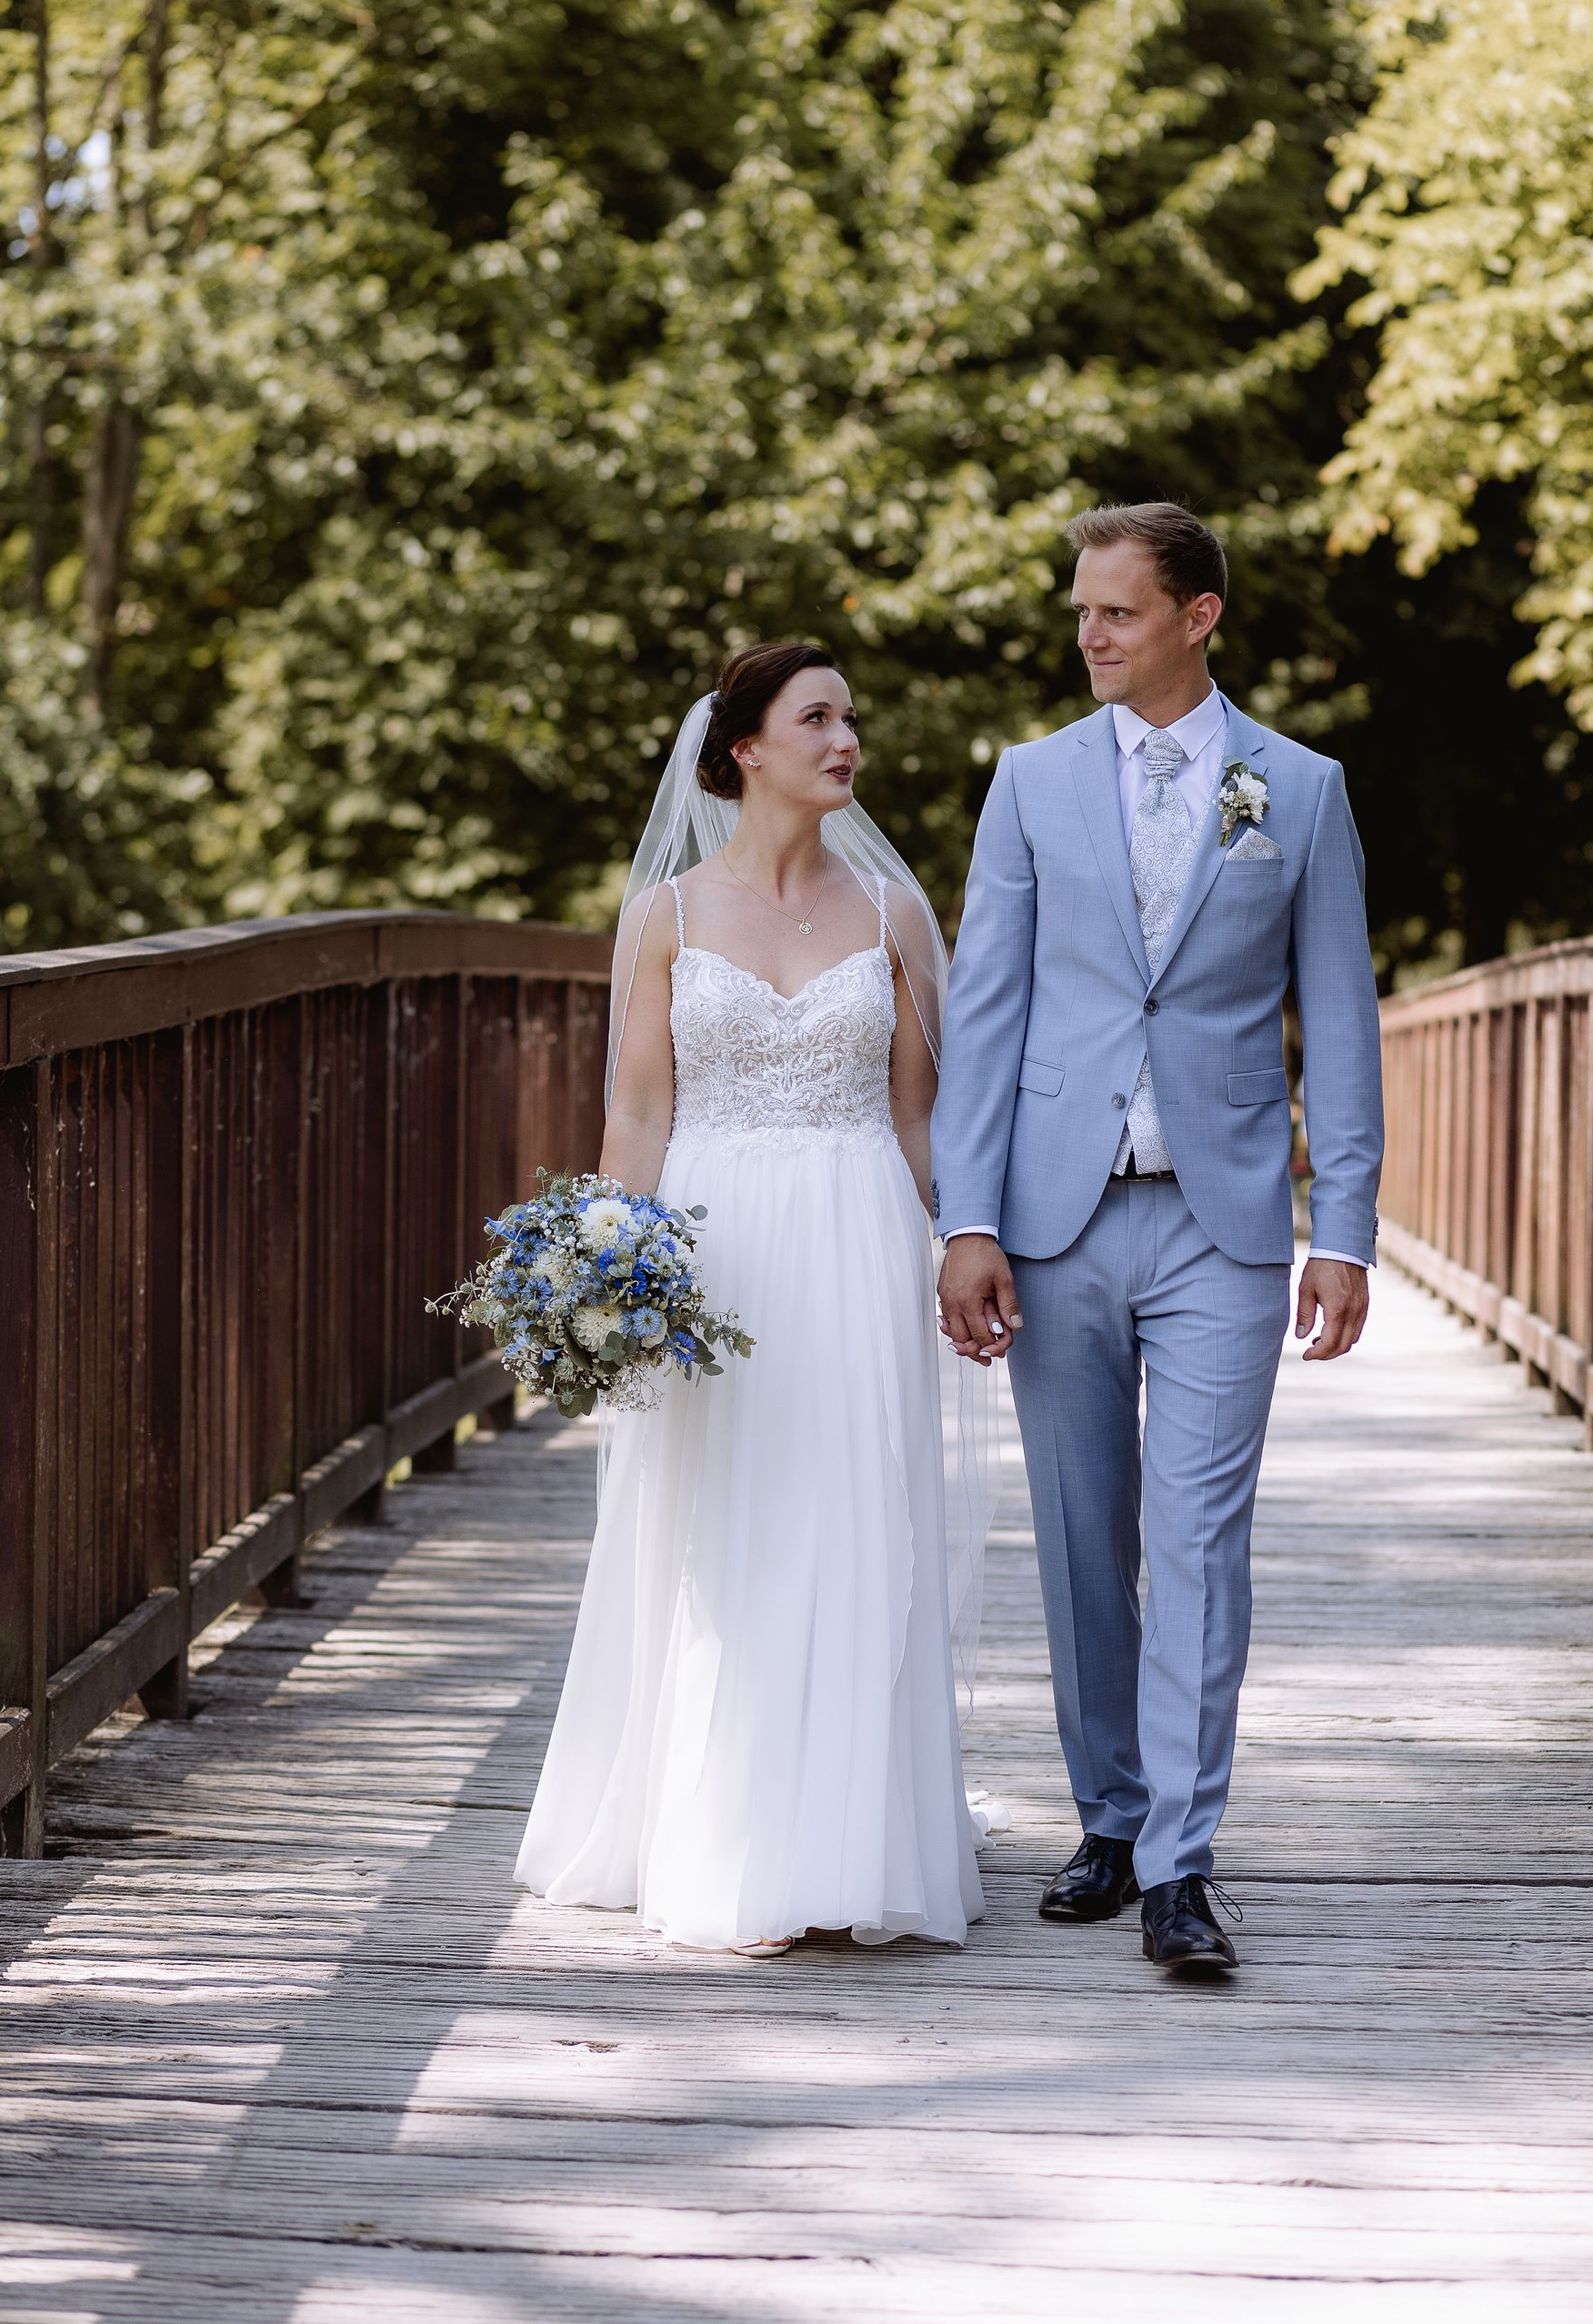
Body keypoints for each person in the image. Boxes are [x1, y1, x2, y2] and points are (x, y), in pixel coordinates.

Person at [933, 501, 1382, 1975]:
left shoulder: (1298, 791)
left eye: (1117, 612)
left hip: (1228, 1220)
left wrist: (1348, 1229)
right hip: (1056, 1220)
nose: (1089, 636)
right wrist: (971, 1218)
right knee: (1080, 1539)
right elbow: (986, 1013)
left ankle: (1184, 1863)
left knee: (1200, 1540)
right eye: (1080, 611)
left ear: (1198, 617)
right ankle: (1110, 1818)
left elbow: (1344, 1021)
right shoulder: (1031, 784)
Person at [516, 641, 988, 1957]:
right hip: (717, 1249)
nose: (848, 740)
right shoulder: (666, 916)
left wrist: (954, 1249)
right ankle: (723, 1833)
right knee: (724, 1532)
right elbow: (638, 1109)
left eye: (852, 719)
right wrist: (612, 1271)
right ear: (745, 752)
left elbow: (918, 1114)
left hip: (855, 1240)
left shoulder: (892, 915)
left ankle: (850, 1840)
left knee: (851, 1530)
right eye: (818, 718)